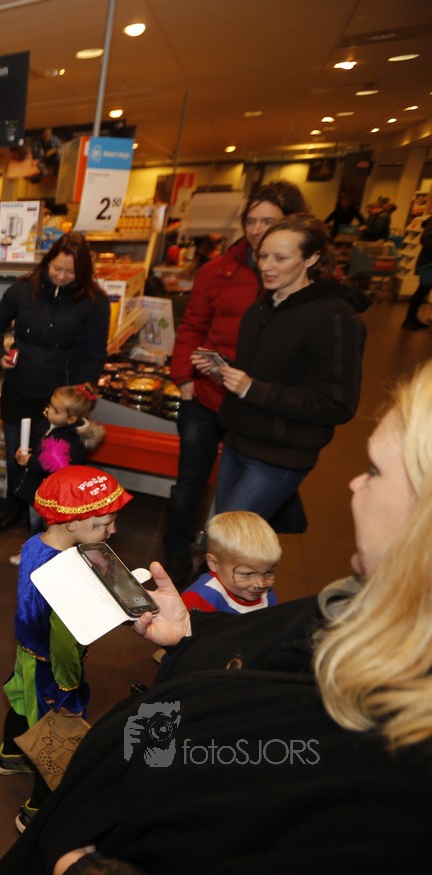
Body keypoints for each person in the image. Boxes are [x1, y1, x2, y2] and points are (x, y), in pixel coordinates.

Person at [0, 358, 432, 875]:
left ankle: (14, 761)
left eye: (374, 470)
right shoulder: (358, 640)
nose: (353, 484)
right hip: (55, 677)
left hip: (90, 805)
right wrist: (183, 637)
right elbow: (61, 640)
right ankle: (34, 800)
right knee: (44, 724)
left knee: (21, 706)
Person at [162, 181, 308, 581]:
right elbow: (192, 326)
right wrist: (183, 378)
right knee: (190, 481)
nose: (257, 230)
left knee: (240, 496)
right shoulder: (217, 271)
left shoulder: (299, 280)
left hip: (257, 405)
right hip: (206, 396)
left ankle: (217, 567)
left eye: (269, 221)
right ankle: (175, 551)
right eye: (251, 220)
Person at [0, 466, 132, 834]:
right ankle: (36, 809)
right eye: (104, 524)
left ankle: (9, 755)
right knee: (55, 737)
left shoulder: (35, 543)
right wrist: (69, 688)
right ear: (72, 522)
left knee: (20, 702)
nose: (112, 530)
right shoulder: (68, 576)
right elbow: (65, 642)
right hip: (53, 668)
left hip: (27, 651)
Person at [210, 214, 368, 531]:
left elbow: (338, 403)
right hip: (239, 442)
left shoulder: (334, 317)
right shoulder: (259, 310)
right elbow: (271, 369)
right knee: (228, 538)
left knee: (228, 540)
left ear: (311, 258)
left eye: (280, 258)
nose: (267, 266)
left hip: (281, 455)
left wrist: (253, 389)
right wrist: (224, 370)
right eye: (263, 256)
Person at [0, 232, 110, 535]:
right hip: (19, 390)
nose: (61, 276)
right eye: (57, 268)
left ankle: (48, 523)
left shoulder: (94, 302)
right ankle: (14, 509)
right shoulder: (23, 290)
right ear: (47, 262)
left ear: (82, 272)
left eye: (70, 272)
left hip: (60, 402)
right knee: (16, 456)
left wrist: (83, 394)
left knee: (53, 463)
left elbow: (95, 353)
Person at [10, 383, 106, 557]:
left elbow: (53, 466)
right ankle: (34, 550)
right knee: (37, 522)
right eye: (50, 406)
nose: (49, 411)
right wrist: (26, 452)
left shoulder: (70, 441)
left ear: (71, 418)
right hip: (39, 488)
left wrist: (30, 461)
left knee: (44, 527)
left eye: (56, 410)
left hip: (51, 494)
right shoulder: (54, 425)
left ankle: (35, 555)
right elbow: (41, 448)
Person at [180, 511, 280, 614]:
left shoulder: (266, 594)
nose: (261, 584)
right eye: (247, 574)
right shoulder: (200, 597)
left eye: (268, 573)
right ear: (214, 563)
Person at [401, 217, 432, 330]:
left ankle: (412, 318)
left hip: (427, 262)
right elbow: (425, 239)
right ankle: (409, 320)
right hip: (429, 264)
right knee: (422, 291)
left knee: (423, 291)